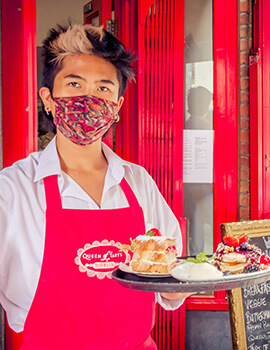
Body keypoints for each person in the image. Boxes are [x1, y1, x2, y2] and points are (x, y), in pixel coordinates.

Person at [0, 24, 191, 349]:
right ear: (48, 98)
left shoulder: (139, 182)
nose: (88, 99)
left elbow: (169, 276)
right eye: (74, 84)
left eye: (103, 89)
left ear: (116, 107)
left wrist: (179, 283)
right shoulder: (14, 189)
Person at [183, 86, 213, 255]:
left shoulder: (186, 124)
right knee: (212, 221)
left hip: (188, 183)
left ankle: (196, 256)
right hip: (204, 183)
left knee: (196, 223)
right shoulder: (206, 125)